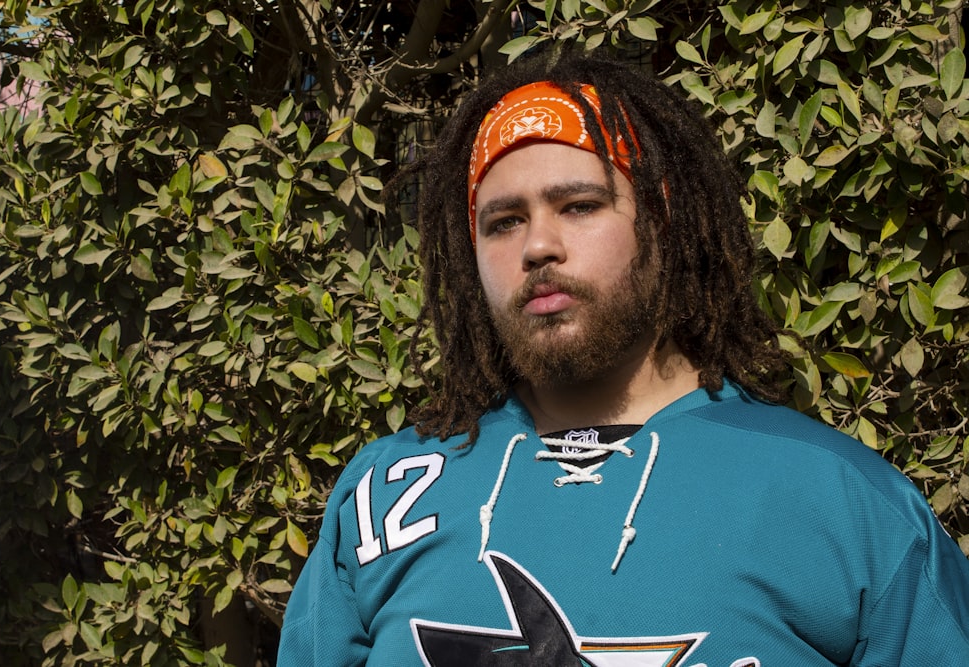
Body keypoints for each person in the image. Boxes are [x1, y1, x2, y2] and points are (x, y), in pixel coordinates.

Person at [277, 50, 969, 665]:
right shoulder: (386, 494)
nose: (537, 247)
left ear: (661, 222)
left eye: (578, 205)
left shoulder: (841, 498)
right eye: (503, 221)